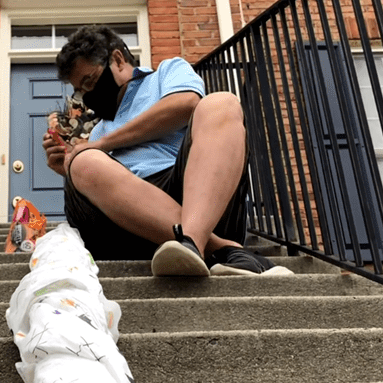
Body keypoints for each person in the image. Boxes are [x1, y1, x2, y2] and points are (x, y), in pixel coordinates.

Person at [42, 25, 291, 277]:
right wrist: (67, 168)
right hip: (131, 224)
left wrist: (103, 144)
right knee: (84, 163)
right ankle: (218, 248)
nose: (88, 95)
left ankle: (193, 240)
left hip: (195, 195)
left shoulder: (167, 73)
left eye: (91, 81)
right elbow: (105, 188)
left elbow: (185, 104)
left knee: (221, 104)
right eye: (81, 90)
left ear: (117, 60)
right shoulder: (97, 131)